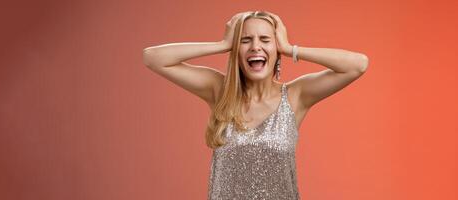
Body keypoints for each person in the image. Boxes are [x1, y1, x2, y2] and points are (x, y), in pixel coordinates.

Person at [143, 10, 368, 200]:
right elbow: (153, 58)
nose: (255, 47)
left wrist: (290, 48)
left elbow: (357, 65)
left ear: (276, 49)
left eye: (265, 40)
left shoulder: (295, 96)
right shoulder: (219, 91)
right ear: (236, 51)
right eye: (245, 40)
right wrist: (222, 45)